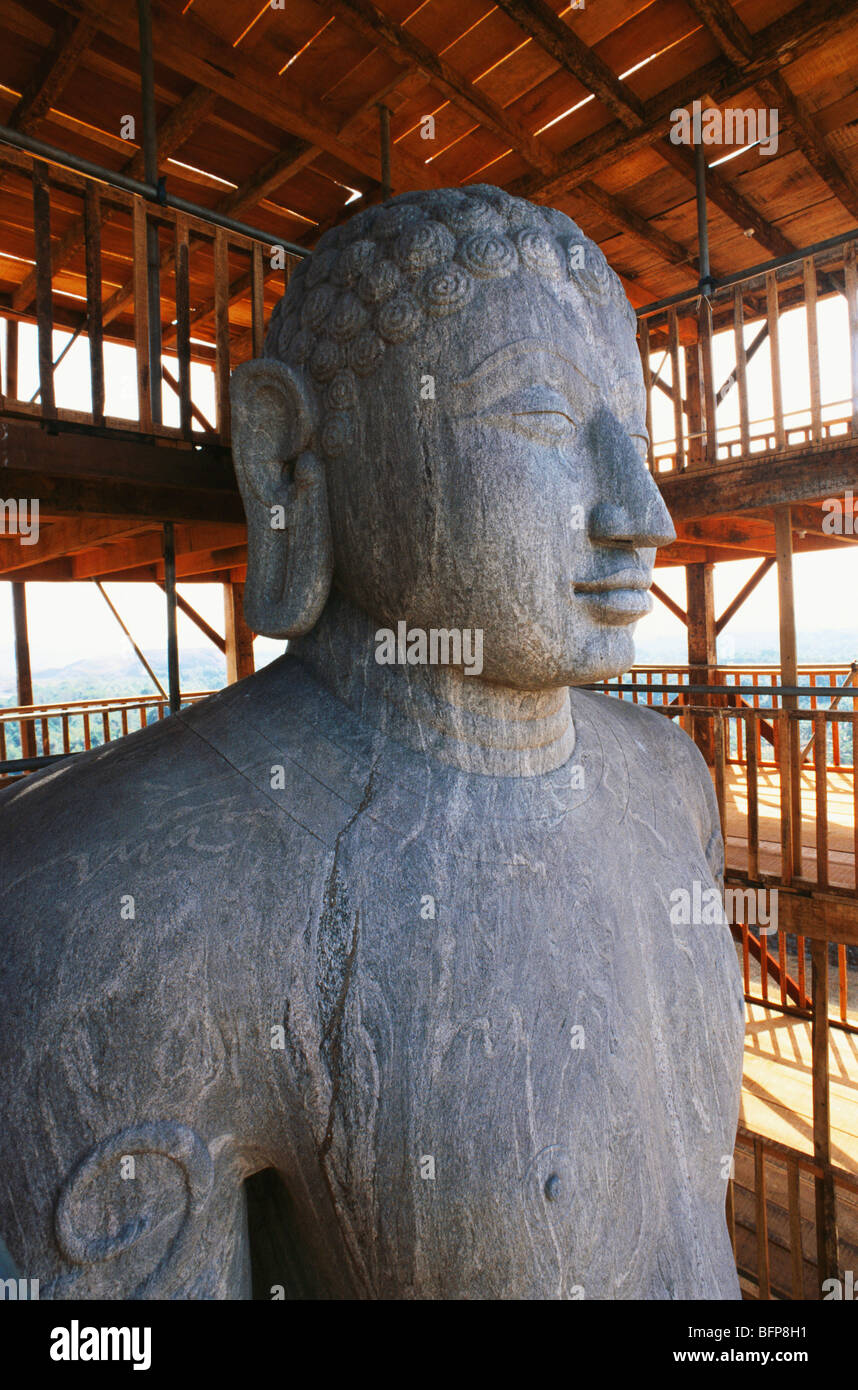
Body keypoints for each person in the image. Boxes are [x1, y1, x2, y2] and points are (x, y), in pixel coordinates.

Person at [0, 185, 744, 1299]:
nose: (644, 512)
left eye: (631, 436)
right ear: (289, 455)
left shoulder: (668, 779)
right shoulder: (120, 902)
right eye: (540, 413)